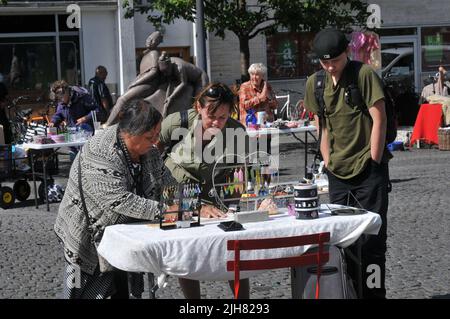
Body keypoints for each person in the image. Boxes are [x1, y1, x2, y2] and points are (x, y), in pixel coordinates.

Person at [54, 100, 176, 299]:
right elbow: (119, 200)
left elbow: (168, 182)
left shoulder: (149, 151)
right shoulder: (101, 150)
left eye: (157, 135)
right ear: (129, 132)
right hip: (85, 234)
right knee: (77, 291)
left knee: (120, 287)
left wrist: (188, 204)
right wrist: (167, 211)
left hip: (121, 233)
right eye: (149, 137)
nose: (155, 141)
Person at [303, 28, 389, 299]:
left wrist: (374, 160)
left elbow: (380, 118)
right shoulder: (315, 83)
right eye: (324, 62)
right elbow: (322, 126)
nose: (330, 67)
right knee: (343, 242)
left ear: (347, 53)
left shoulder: (363, 75)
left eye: (335, 61)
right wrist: (327, 160)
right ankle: (350, 293)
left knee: (372, 242)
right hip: (337, 172)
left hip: (368, 171)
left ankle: (374, 295)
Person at [158, 82, 250, 299]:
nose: (216, 123)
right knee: (187, 248)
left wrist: (230, 207)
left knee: (232, 247)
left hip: (215, 192)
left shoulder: (237, 132)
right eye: (211, 116)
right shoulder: (176, 123)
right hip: (177, 187)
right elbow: (153, 151)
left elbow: (238, 176)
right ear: (199, 107)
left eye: (223, 117)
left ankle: (243, 302)